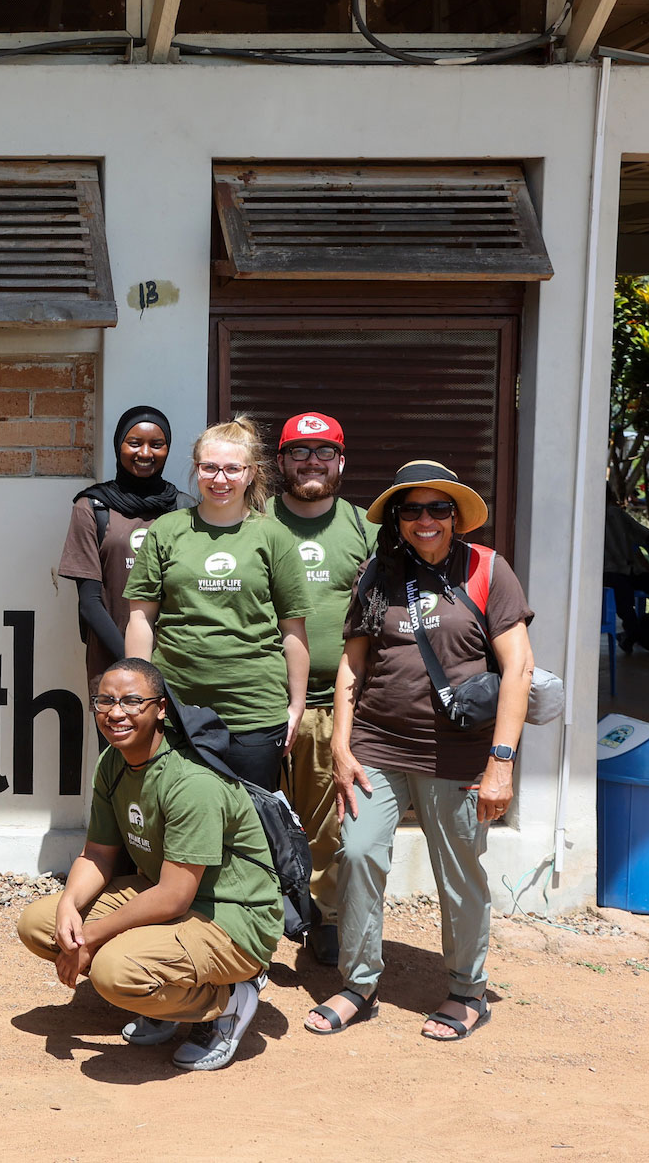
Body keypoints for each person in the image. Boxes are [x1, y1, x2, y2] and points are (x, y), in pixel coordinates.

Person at [307, 461, 534, 1042]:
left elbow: (518, 669)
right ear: (398, 520)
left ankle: (467, 990)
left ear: (456, 516)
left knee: (458, 873)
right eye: (413, 510)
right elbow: (353, 664)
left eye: (438, 509)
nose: (426, 520)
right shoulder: (376, 574)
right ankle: (358, 983)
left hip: (458, 756)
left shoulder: (488, 569)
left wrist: (501, 763)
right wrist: (340, 743)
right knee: (357, 854)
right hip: (376, 745)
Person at [17, 657, 283, 1072]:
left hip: (233, 917)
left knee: (113, 971)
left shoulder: (191, 781)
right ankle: (166, 999)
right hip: (168, 897)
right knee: (40, 923)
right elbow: (98, 854)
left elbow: (175, 896)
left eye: (131, 701)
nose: (116, 712)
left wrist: (88, 938)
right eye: (104, 701)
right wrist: (70, 906)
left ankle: (232, 1001)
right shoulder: (113, 762)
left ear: (161, 708)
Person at [124, 417, 312, 788]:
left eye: (232, 469)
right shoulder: (167, 529)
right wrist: (140, 697)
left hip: (255, 712)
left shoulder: (273, 535)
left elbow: (293, 628)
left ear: (251, 473)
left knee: (252, 826)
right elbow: (141, 620)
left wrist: (296, 706)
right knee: (180, 821)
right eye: (209, 467)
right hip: (177, 710)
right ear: (196, 469)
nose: (220, 479)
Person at [267, 413, 374, 969]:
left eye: (324, 452)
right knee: (255, 818)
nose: (312, 462)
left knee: (334, 823)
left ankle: (327, 918)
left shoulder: (364, 529)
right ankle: (259, 919)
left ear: (341, 462)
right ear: (280, 461)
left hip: (338, 704)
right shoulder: (251, 519)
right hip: (261, 701)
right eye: (300, 452)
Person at [56, 405, 192, 686]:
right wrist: (136, 666)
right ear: (119, 446)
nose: (145, 453)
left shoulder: (185, 509)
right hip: (113, 667)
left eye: (157, 445)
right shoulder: (93, 507)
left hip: (179, 669)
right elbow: (90, 603)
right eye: (134, 443)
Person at [602, 490, 649, 652]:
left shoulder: (615, 514)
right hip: (616, 571)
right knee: (625, 602)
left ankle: (633, 634)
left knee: (625, 605)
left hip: (626, 570)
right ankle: (637, 635)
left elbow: (643, 535)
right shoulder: (613, 514)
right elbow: (644, 535)